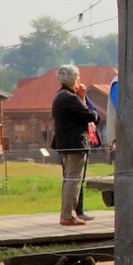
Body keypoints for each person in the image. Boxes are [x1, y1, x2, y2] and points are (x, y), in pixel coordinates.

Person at [51, 69, 103, 222]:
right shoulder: (71, 99)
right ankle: (68, 215)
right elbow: (92, 115)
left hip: (63, 142)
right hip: (75, 142)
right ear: (74, 80)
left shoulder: (59, 96)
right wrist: (82, 97)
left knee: (69, 178)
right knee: (74, 179)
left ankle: (67, 213)